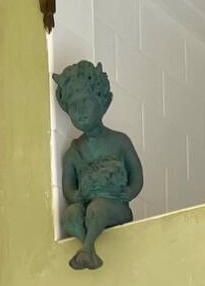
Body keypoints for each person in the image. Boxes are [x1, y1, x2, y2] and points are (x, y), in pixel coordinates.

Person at [55, 61, 143, 271]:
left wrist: (126, 193)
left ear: (103, 102)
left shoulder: (120, 141)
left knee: (97, 208)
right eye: (73, 106)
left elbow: (137, 175)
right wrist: (79, 196)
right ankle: (89, 248)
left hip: (116, 206)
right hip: (88, 204)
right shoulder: (73, 153)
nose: (80, 111)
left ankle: (87, 247)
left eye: (85, 102)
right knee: (70, 215)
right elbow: (69, 188)